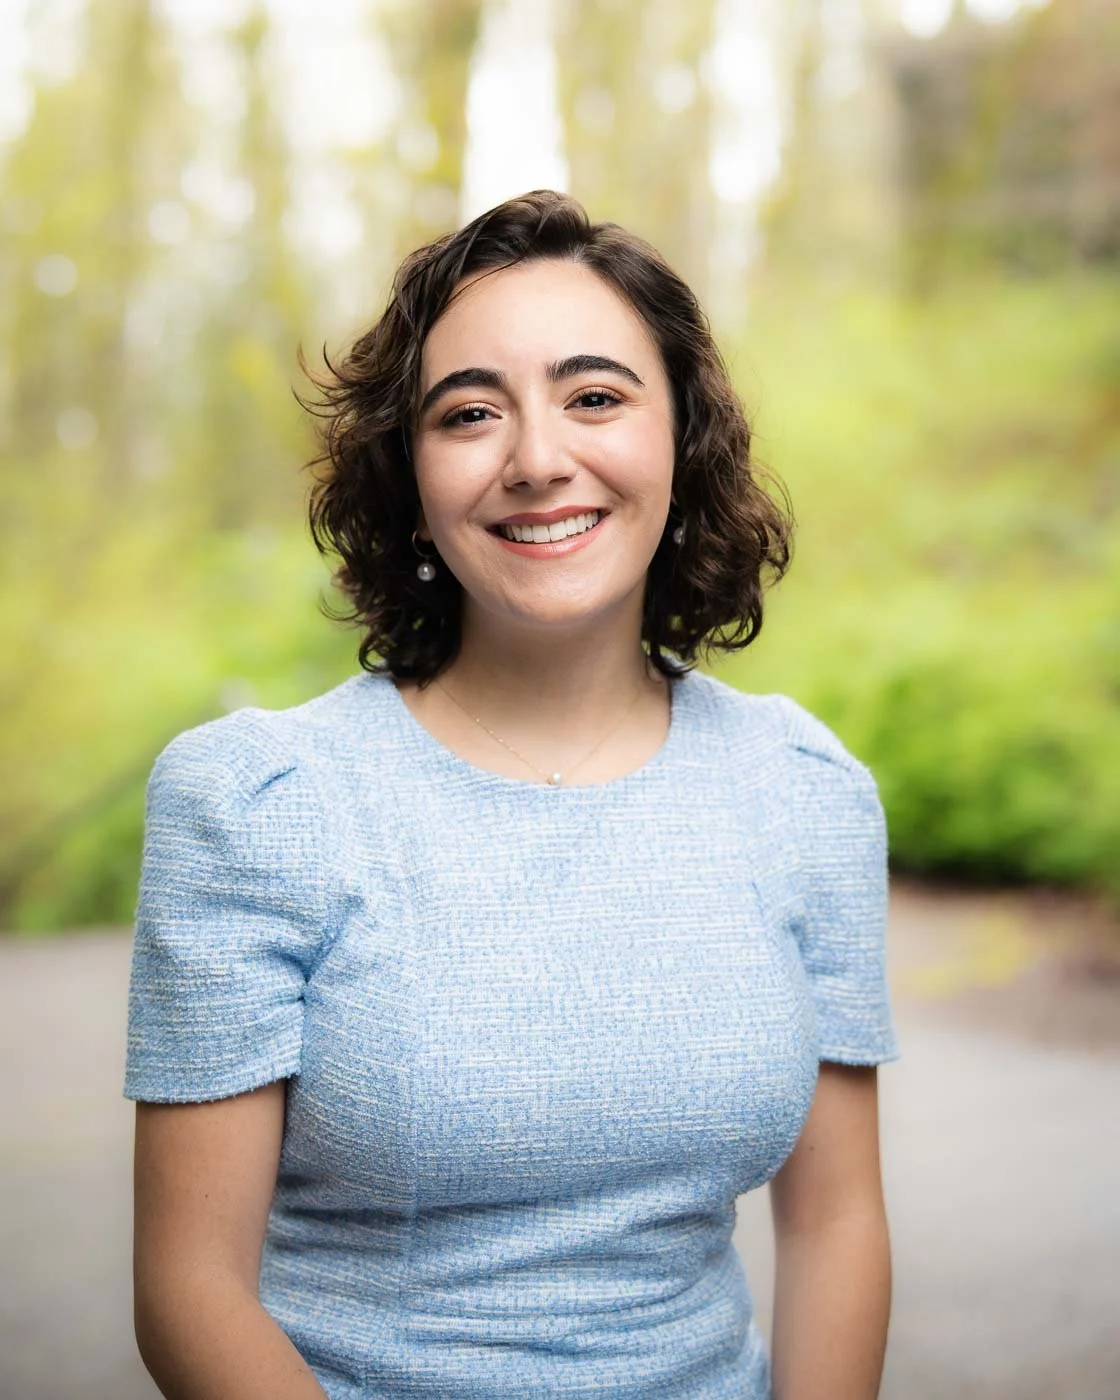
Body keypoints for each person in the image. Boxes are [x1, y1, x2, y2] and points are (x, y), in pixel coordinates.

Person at [125, 189, 900, 1400]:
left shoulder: (804, 792)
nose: (537, 459)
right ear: (411, 476)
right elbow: (189, 1286)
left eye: (594, 397)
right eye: (470, 412)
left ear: (682, 437)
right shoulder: (259, 801)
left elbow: (836, 1222)